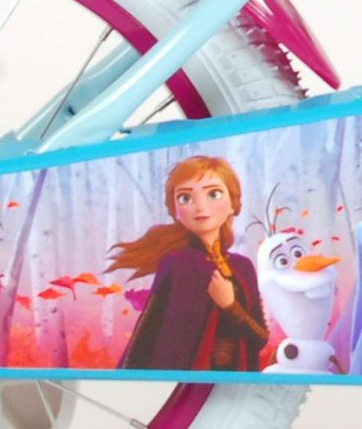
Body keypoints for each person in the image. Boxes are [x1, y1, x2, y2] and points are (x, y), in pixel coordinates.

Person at [107, 155, 268, 371]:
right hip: (189, 381)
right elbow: (153, 334)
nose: (200, 206)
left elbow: (260, 339)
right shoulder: (178, 264)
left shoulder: (243, 266)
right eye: (185, 198)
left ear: (233, 204)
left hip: (236, 380)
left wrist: (230, 306)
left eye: (213, 194)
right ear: (175, 211)